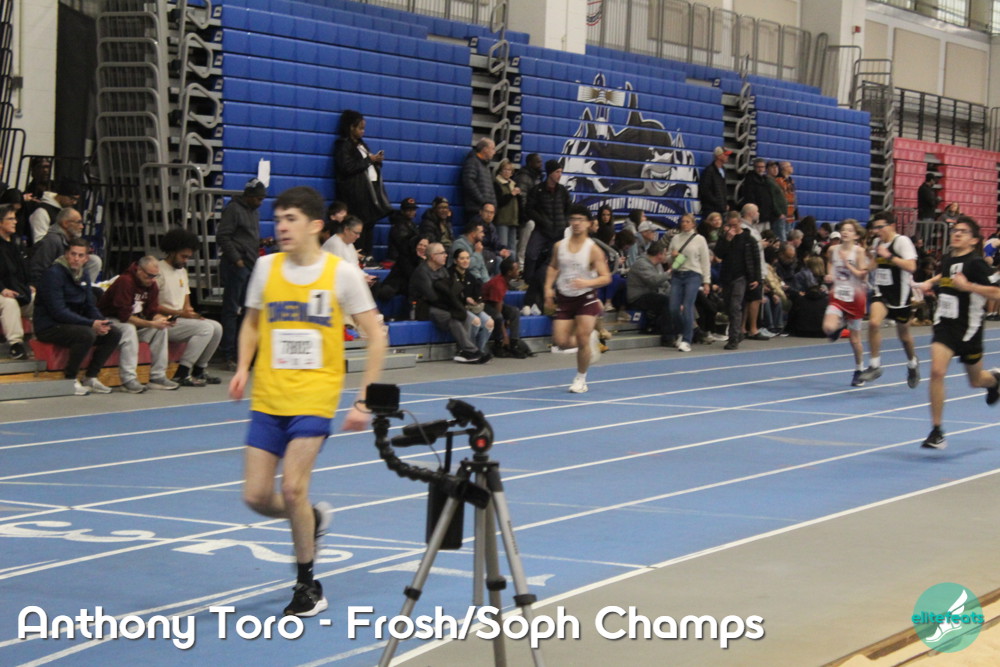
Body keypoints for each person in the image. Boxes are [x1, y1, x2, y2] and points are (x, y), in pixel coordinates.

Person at [228, 185, 387, 616]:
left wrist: (364, 400)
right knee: (257, 497)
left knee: (294, 488)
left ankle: (307, 585)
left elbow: (376, 336)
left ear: (316, 225)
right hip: (269, 396)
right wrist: (242, 366)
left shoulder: (341, 274)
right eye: (278, 219)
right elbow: (252, 322)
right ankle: (311, 520)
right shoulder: (266, 268)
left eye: (291, 219)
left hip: (315, 396)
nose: (281, 227)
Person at [915, 217, 1000, 449]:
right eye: (955, 230)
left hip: (969, 330)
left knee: (976, 380)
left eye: (963, 231)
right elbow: (945, 275)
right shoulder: (948, 258)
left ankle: (994, 381)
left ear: (973, 240)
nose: (957, 234)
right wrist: (929, 284)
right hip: (945, 326)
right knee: (936, 371)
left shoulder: (976, 264)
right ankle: (937, 431)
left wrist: (968, 287)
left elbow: (997, 293)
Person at [33, 238, 123, 395]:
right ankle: (70, 379)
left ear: (86, 258)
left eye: (80, 255)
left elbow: (89, 305)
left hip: (73, 323)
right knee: (86, 334)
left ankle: (91, 377)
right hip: (49, 326)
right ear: (66, 254)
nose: (76, 258)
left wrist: (101, 322)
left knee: (113, 332)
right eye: (73, 254)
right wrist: (91, 323)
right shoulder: (53, 274)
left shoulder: (84, 274)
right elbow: (58, 312)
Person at [544, 205, 611, 393]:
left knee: (582, 337)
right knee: (560, 341)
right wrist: (548, 288)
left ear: (589, 223)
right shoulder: (560, 246)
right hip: (565, 297)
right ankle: (591, 341)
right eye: (573, 219)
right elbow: (553, 267)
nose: (576, 223)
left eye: (580, 219)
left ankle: (581, 379)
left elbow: (606, 277)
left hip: (586, 298)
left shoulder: (593, 250)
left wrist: (587, 282)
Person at [99, 256, 180, 393]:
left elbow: (151, 312)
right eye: (149, 276)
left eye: (155, 276)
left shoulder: (152, 285)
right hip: (110, 321)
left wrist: (162, 320)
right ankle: (128, 379)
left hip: (134, 322)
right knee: (129, 328)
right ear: (140, 271)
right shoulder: (125, 281)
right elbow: (124, 316)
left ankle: (157, 376)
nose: (152, 279)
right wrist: (151, 324)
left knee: (161, 329)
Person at [858, 212, 920, 388]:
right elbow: (876, 262)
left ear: (892, 226)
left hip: (900, 296)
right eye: (875, 227)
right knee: (873, 323)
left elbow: (912, 266)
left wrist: (889, 256)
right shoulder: (877, 243)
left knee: (904, 337)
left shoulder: (902, 242)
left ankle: (912, 363)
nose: (877, 231)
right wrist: (864, 270)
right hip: (881, 292)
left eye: (880, 227)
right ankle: (875, 365)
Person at [156, 228, 223, 386]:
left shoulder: (182, 272)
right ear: (172, 251)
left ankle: (199, 370)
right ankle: (182, 372)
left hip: (179, 318)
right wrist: (181, 314)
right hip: (164, 320)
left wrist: (191, 314)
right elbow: (153, 305)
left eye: (188, 257)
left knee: (217, 327)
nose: (185, 261)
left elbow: (186, 303)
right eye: (183, 256)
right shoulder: (158, 270)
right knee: (205, 329)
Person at [411, 242, 490, 363]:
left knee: (464, 315)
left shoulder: (443, 270)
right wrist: (452, 307)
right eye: (442, 253)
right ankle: (471, 351)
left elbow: (452, 291)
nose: (446, 255)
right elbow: (432, 298)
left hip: (442, 304)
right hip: (424, 307)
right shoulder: (422, 272)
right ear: (433, 256)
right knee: (452, 317)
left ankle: (464, 350)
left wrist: (455, 306)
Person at [218, 178, 266, 368]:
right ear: (249, 196)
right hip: (236, 266)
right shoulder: (233, 209)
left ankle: (242, 354)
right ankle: (228, 354)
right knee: (231, 310)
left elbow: (246, 238)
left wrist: (261, 243)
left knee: (247, 311)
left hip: (249, 264)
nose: (260, 202)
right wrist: (237, 259)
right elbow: (223, 236)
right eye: (258, 199)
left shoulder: (253, 212)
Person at [333, 110, 388, 256]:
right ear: (351, 127)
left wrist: (376, 161)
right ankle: (358, 256)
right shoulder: (343, 145)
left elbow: (366, 164)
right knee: (358, 228)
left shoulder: (362, 145)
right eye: (360, 128)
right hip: (355, 195)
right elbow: (347, 167)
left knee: (369, 226)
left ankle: (367, 256)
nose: (363, 131)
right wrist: (369, 160)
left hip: (369, 192)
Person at [821, 219, 869, 387]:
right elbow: (829, 262)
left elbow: (863, 274)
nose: (845, 232)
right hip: (838, 294)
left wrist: (848, 265)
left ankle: (859, 370)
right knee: (828, 328)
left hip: (856, 297)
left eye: (849, 230)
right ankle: (840, 325)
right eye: (843, 229)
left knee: (855, 340)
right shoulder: (833, 249)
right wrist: (829, 274)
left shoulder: (859, 252)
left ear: (856, 235)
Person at [524, 160, 571, 308]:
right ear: (550, 173)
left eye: (561, 172)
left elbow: (569, 208)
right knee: (531, 253)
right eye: (557, 172)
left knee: (553, 261)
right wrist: (542, 220)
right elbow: (529, 209)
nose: (560, 175)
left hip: (558, 232)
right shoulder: (537, 190)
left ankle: (550, 285)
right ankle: (527, 281)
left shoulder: (563, 191)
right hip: (542, 229)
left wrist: (564, 222)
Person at [714, 211, 761, 350]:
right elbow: (718, 254)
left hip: (741, 277)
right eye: (730, 225)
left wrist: (756, 278)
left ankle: (733, 337)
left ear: (739, 223)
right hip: (727, 277)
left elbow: (756, 260)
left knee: (735, 306)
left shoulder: (749, 239)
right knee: (728, 307)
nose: (732, 228)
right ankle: (737, 333)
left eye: (734, 225)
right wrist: (727, 240)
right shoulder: (724, 238)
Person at [668, 213, 712, 352]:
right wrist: (672, 256)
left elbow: (705, 261)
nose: (684, 224)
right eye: (683, 221)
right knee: (673, 308)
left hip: (693, 275)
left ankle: (687, 339)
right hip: (677, 275)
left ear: (693, 224)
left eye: (687, 221)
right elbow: (668, 258)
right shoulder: (675, 238)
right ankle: (681, 331)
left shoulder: (700, 239)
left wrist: (706, 281)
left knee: (688, 306)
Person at [28, 206, 102, 285]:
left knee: (94, 261)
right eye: (78, 222)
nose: (82, 226)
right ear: (65, 224)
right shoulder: (52, 240)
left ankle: (82, 289)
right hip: (51, 285)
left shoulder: (70, 240)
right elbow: (38, 270)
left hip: (65, 283)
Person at [0, 204, 33, 359]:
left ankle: (42, 338)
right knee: (9, 303)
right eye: (10, 219)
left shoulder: (16, 242)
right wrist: (2, 289)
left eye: (15, 218)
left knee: (39, 299)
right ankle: (16, 345)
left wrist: (31, 284)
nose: (15, 222)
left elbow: (25, 268)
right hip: (2, 292)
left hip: (17, 288)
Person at [626, 240, 673, 347]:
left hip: (650, 294)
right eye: (665, 253)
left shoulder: (657, 265)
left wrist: (673, 291)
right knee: (665, 301)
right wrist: (669, 272)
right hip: (638, 297)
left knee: (676, 298)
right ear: (659, 254)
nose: (666, 256)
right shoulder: (641, 264)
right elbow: (653, 280)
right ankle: (668, 337)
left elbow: (664, 283)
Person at [482, 257, 529, 358]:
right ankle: (498, 344)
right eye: (516, 269)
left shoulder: (505, 280)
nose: (519, 271)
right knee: (498, 317)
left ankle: (514, 343)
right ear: (509, 272)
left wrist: (508, 319)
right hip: (483, 305)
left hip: (493, 303)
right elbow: (498, 311)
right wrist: (505, 335)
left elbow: (500, 301)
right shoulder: (498, 285)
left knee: (514, 311)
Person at [450, 248, 493, 354]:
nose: (465, 261)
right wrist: (465, 299)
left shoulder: (471, 276)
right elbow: (451, 295)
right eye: (462, 258)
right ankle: (469, 350)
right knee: (475, 321)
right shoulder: (450, 275)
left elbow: (477, 293)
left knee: (489, 322)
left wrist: (478, 300)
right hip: (458, 308)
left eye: (467, 258)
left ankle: (479, 350)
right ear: (455, 261)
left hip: (472, 308)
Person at [29, 179, 80, 245]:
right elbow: (39, 241)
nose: (74, 202)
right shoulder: (42, 211)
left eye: (77, 199)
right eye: (72, 198)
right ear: (61, 195)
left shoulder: (64, 210)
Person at [461, 138, 497, 219]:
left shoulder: (486, 166)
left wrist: (493, 205)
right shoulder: (472, 162)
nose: (494, 152)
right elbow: (468, 182)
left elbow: (490, 189)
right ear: (485, 149)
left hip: (486, 210)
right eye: (493, 149)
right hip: (476, 210)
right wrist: (483, 202)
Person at [698, 146, 731, 219]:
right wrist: (717, 203)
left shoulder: (723, 170)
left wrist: (724, 204)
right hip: (711, 210)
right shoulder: (709, 171)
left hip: (720, 209)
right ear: (718, 156)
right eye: (725, 155)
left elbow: (723, 190)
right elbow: (705, 191)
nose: (727, 156)